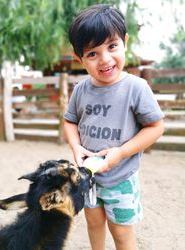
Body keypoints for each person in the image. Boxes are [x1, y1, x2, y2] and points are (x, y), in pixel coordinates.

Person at [64, 4, 164, 250]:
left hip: (121, 178)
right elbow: (70, 121)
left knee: (120, 232)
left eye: (112, 46)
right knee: (94, 222)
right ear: (79, 59)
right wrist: (76, 147)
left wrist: (121, 152)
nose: (105, 59)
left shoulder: (136, 88)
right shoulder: (81, 90)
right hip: (88, 176)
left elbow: (156, 127)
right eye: (92, 53)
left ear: (125, 41)